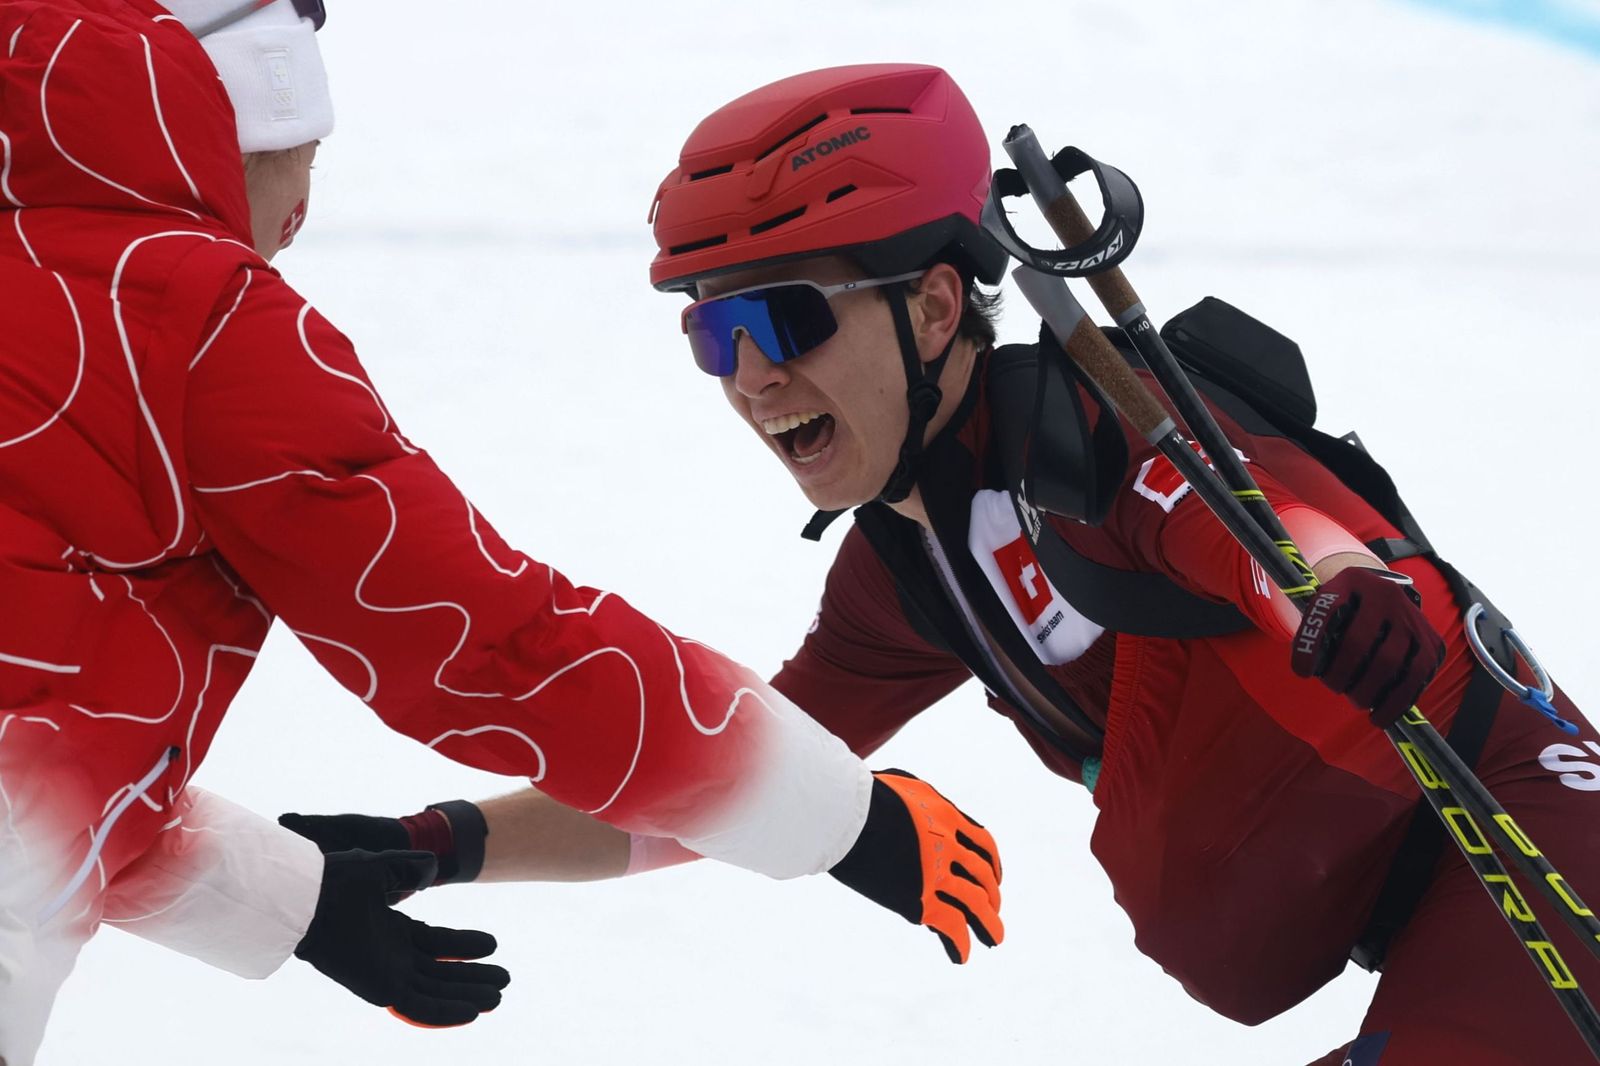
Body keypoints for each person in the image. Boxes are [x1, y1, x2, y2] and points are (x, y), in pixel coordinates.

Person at [287, 63, 1600, 1064]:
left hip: (1532, 844)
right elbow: (722, 779)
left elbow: (1254, 523)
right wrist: (439, 843)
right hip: (1394, 904)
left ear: (930, 307)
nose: (751, 376)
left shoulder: (1095, 420)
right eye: (715, 333)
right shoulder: (904, 574)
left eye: (787, 315)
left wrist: (1351, 590)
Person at [0, 11, 1006, 1063]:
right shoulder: (190, 310)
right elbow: (492, 648)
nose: (299, 215)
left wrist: (295, 901)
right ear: (236, 122)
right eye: (303, 159)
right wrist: (844, 822)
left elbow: (43, 754)